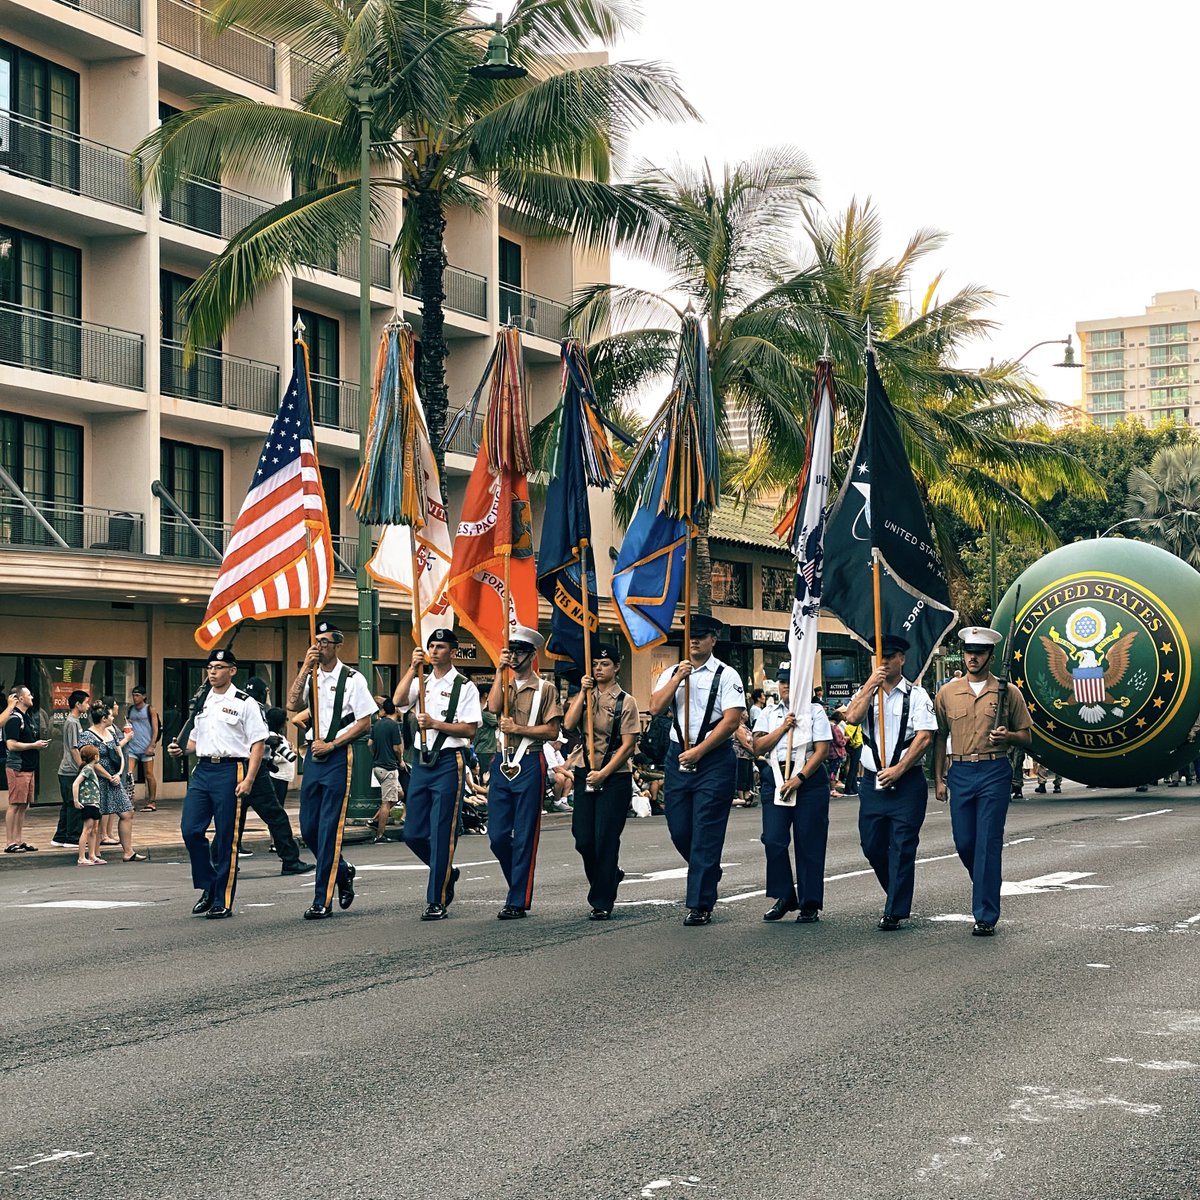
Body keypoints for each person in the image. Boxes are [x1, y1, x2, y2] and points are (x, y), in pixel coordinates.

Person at [933, 626, 1032, 937]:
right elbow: (939, 736)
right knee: (964, 842)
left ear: (990, 656)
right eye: (968, 652)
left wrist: (1008, 735)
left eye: (978, 652)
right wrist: (938, 777)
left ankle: (985, 915)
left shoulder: (1008, 692)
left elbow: (1027, 737)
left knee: (987, 842)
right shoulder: (947, 693)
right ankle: (987, 881)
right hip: (960, 772)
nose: (972, 657)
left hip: (993, 770)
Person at [648, 614, 746, 926]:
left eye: (701, 636)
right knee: (679, 829)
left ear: (713, 640)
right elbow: (655, 708)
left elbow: (731, 720)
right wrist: (678, 678)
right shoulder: (673, 672)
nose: (694, 641)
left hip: (713, 759)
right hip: (678, 755)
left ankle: (700, 903)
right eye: (690, 636)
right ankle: (708, 869)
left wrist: (699, 751)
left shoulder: (727, 675)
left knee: (706, 831)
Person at [841, 634, 938, 932]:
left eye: (890, 656)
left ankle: (894, 910)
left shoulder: (916, 695)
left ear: (902, 659)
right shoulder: (866, 693)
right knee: (871, 846)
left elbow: (924, 737)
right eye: (879, 656)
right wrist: (870, 685)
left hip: (906, 783)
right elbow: (852, 719)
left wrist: (899, 768)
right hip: (872, 784)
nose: (883, 662)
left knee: (903, 847)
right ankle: (895, 891)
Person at [285, 621, 376, 921]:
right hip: (313, 758)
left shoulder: (352, 679)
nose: (320, 646)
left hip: (337, 757)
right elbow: (291, 704)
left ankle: (321, 900)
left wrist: (333, 744)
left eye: (326, 642)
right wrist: (303, 668)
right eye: (317, 641)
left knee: (328, 829)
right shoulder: (310, 676)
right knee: (309, 828)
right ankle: (344, 869)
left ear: (338, 645)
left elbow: (365, 722)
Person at [168, 648, 266, 918]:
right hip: (202, 771)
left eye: (219, 667)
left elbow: (258, 742)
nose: (213, 672)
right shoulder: (202, 701)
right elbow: (196, 741)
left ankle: (222, 898)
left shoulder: (245, 702)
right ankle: (210, 884)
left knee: (226, 839)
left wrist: (249, 779)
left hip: (230, 770)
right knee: (190, 830)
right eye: (210, 667)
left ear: (232, 671)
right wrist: (181, 749)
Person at [393, 628, 482, 921]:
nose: (434, 650)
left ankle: (436, 899)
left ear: (453, 652)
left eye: (441, 646)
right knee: (413, 833)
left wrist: (434, 723)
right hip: (421, 761)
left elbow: (469, 729)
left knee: (442, 831)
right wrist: (411, 667)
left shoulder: (464, 686)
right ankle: (447, 872)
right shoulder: (421, 681)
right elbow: (398, 701)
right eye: (431, 645)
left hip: (448, 761)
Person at [485, 626, 563, 920]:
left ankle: (517, 899)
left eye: (519, 652)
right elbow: (492, 707)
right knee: (498, 836)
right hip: (502, 763)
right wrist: (498, 671)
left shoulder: (546, 688)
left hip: (529, 761)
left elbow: (553, 730)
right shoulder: (504, 684)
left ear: (532, 655)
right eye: (511, 651)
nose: (514, 657)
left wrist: (519, 729)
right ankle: (517, 881)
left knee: (525, 834)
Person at [562, 643, 640, 920]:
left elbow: (628, 745)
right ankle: (609, 875)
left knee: (605, 838)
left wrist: (604, 773)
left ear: (616, 667)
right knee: (583, 839)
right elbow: (569, 725)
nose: (598, 669)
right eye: (595, 664)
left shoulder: (625, 701)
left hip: (614, 775)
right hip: (585, 771)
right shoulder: (586, 695)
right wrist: (582, 693)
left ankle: (601, 900)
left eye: (605, 664)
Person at [752, 664, 831, 923]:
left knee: (809, 842)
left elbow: (821, 750)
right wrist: (784, 728)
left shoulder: (815, 711)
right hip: (775, 777)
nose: (786, 686)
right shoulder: (768, 713)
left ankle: (810, 902)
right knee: (773, 839)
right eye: (782, 682)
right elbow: (758, 746)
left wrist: (799, 778)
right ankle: (785, 895)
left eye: (791, 682)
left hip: (807, 779)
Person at [231, 678, 314, 875]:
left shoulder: (236, 703)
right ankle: (290, 860)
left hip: (239, 767)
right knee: (276, 816)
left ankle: (221, 860)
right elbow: (253, 736)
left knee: (234, 819)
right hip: (255, 770)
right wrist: (269, 739)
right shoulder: (255, 707)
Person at [79, 699, 145, 862]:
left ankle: (128, 851)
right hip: (96, 780)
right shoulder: (87, 736)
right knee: (96, 817)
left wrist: (119, 771)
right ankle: (94, 853)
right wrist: (108, 776)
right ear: (103, 719)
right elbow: (90, 761)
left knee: (127, 811)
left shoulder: (111, 732)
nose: (113, 718)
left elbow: (118, 751)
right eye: (110, 716)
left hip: (114, 778)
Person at [5, 686, 50, 853]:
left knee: (23, 805)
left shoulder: (27, 717)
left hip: (28, 766)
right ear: (20, 699)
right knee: (15, 804)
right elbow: (11, 744)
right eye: (29, 694)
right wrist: (34, 745)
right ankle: (10, 842)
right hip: (18, 767)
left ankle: (18, 840)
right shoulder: (14, 718)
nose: (32, 696)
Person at [51, 690, 89, 848]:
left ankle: (60, 836)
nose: (88, 705)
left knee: (67, 804)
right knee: (74, 804)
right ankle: (72, 837)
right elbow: (74, 749)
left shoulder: (73, 721)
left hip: (67, 769)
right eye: (86, 702)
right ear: (78, 704)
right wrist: (82, 767)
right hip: (70, 770)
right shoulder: (73, 722)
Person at [367, 697, 404, 843]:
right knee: (387, 802)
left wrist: (375, 755)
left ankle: (375, 820)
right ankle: (380, 834)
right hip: (389, 768)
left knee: (399, 794)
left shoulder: (377, 724)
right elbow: (397, 748)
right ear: (395, 710)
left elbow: (370, 743)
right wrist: (400, 760)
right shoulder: (393, 726)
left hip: (378, 766)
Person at [125, 685, 161, 811]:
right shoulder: (130, 710)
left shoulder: (150, 709)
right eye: (133, 695)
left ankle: (152, 801)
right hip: (132, 747)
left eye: (138, 695)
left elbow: (156, 729)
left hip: (146, 747)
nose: (135, 698)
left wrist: (152, 745)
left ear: (144, 696)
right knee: (128, 774)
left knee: (149, 774)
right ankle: (128, 801)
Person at [73, 743, 105, 865]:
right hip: (88, 802)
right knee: (87, 829)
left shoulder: (90, 769)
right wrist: (76, 800)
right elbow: (76, 783)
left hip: (94, 802)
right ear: (95, 756)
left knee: (94, 829)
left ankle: (92, 855)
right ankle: (81, 856)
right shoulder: (87, 769)